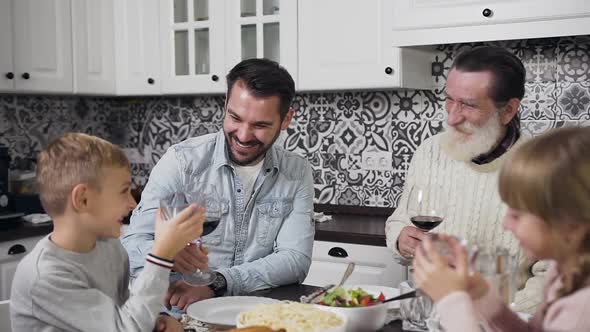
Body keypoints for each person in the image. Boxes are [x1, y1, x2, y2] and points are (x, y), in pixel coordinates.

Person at [122, 58, 315, 313]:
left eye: (260, 125)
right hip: (177, 319)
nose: (244, 135)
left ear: (286, 119)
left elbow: (295, 259)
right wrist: (165, 254)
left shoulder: (296, 171)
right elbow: (132, 247)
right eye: (235, 117)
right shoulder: (182, 161)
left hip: (253, 318)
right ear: (225, 104)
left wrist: (218, 283)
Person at [385, 46, 546, 312]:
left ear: (508, 110)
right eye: (449, 99)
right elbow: (401, 219)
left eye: (469, 105)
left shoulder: (543, 171)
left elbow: (556, 277)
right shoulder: (430, 151)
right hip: (429, 317)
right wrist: (401, 239)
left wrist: (500, 318)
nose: (452, 116)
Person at [10, 133, 206, 332]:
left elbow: (124, 310)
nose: (132, 203)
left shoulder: (110, 248)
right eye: (123, 191)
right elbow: (126, 329)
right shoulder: (45, 275)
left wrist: (157, 320)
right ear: (83, 199)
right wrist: (162, 253)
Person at [413, 126, 590, 331]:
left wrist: (451, 300)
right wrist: (482, 296)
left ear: (571, 225)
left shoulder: (581, 309)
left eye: (517, 215)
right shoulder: (564, 273)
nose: (506, 224)